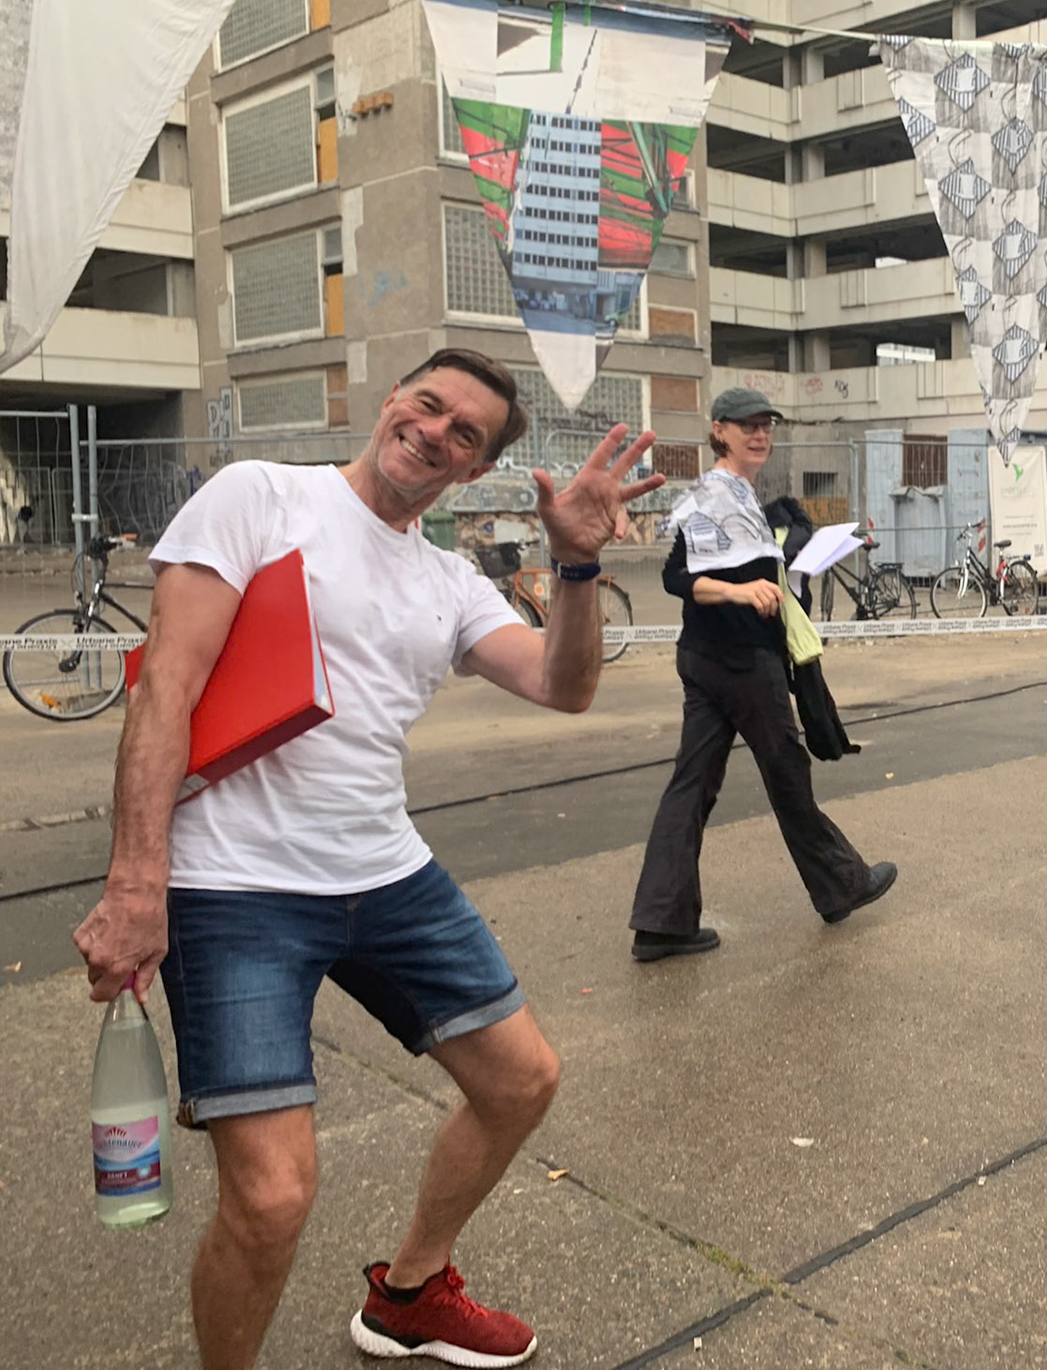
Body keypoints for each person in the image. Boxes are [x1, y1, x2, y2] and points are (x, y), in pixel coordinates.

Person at [73, 348, 664, 1370]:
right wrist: (136, 884)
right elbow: (164, 687)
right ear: (392, 398)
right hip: (233, 888)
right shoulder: (260, 498)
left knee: (521, 1082)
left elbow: (564, 685)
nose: (435, 432)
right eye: (427, 405)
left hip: (386, 875)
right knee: (272, 1198)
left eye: (464, 433)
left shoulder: (447, 580)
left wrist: (574, 565)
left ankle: (410, 1295)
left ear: (477, 469)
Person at [627, 386, 895, 961]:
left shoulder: (741, 495)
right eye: (746, 424)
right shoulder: (712, 495)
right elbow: (676, 577)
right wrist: (740, 591)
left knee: (691, 785)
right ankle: (842, 885)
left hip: (709, 661)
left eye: (766, 424)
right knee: (787, 776)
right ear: (718, 430)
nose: (760, 433)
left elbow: (747, 568)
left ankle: (660, 924)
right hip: (742, 663)